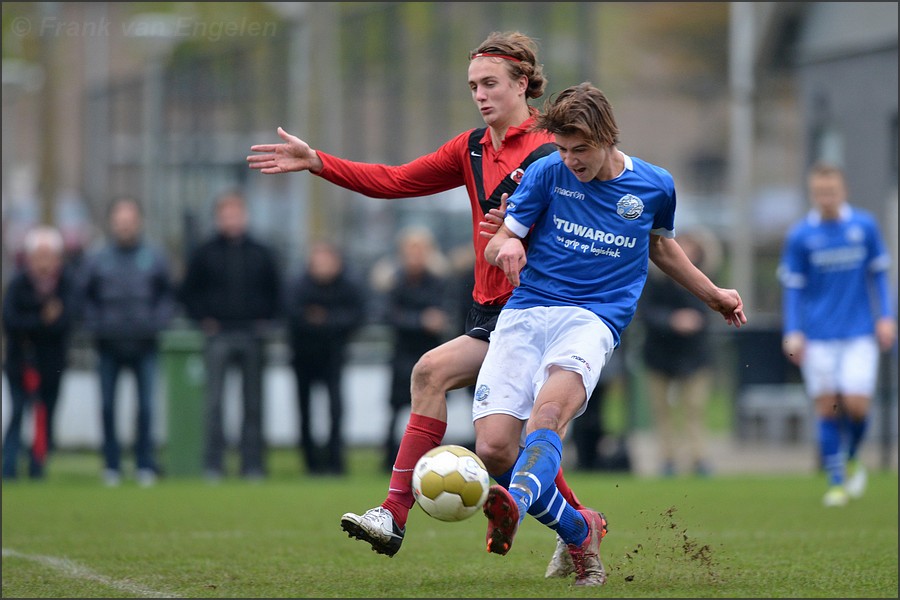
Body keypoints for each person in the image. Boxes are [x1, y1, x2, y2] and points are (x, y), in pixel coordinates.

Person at [247, 31, 593, 572]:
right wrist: (318, 162)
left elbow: (590, 227)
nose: (479, 95)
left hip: (544, 310)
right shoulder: (470, 148)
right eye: (473, 85)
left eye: (490, 84)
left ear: (523, 83)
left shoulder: (558, 146)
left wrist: (525, 233)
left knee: (474, 411)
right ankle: (575, 525)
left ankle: (396, 512)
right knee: (484, 426)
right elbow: (396, 180)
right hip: (490, 313)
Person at [475, 82, 746, 586]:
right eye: (563, 148)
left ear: (607, 137)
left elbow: (661, 248)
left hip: (591, 318)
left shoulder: (655, 185)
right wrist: (506, 248)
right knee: (492, 448)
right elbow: (501, 242)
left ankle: (514, 501)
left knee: (549, 414)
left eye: (582, 149)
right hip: (528, 311)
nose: (572, 160)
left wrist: (713, 294)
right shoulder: (545, 173)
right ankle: (581, 530)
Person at [777, 163, 896, 508]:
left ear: (842, 191)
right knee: (827, 407)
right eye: (819, 193)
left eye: (831, 191)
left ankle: (853, 455)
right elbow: (793, 289)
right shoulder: (801, 235)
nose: (826, 198)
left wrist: (886, 317)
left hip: (859, 332)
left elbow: (879, 277)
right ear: (813, 194)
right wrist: (793, 332)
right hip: (817, 336)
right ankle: (836, 481)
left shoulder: (864, 226)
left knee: (857, 406)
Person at [179, 190, 282, 481]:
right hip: (218, 335)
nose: (231, 220)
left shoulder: (261, 252)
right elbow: (187, 293)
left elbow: (276, 292)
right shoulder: (204, 253)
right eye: (225, 215)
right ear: (218, 218)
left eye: (236, 214)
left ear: (245, 216)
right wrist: (203, 319)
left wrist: (267, 320)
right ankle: (213, 465)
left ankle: (253, 466)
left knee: (253, 405)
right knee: (214, 404)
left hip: (252, 335)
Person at [80, 198, 176, 487]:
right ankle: (111, 465)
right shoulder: (97, 258)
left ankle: (144, 463)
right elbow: (83, 297)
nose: (125, 225)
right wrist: (97, 324)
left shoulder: (154, 256)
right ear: (112, 223)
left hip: (145, 343)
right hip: (108, 343)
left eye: (130, 219)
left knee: (146, 407)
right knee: (108, 406)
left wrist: (157, 323)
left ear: (139, 222)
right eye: (120, 220)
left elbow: (168, 296)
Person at [637, 230, 719, 477]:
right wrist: (671, 321)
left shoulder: (706, 279)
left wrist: (694, 320)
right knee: (661, 410)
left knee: (695, 408)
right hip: (659, 354)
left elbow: (711, 311)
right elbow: (645, 312)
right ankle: (667, 459)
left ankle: (699, 458)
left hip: (695, 356)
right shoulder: (655, 281)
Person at [2, 226, 77, 480]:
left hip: (51, 364)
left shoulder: (67, 285)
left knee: (45, 415)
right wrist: (42, 319)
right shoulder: (18, 285)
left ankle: (37, 467)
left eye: (48, 256)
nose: (43, 262)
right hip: (20, 363)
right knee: (18, 411)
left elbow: (66, 321)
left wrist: (39, 323)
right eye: (38, 256)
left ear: (57, 259)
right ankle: (8, 466)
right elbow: (10, 321)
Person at [285, 240, 366, 475]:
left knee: (336, 409)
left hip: (334, 356)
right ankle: (309, 462)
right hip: (303, 356)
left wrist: (323, 319)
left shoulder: (348, 285)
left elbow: (357, 315)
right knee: (304, 410)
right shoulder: (298, 284)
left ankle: (335, 461)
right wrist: (330, 321)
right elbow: (292, 314)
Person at [378, 227, 451, 471]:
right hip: (403, 354)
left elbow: (446, 314)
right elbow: (388, 315)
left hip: (432, 355)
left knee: (433, 410)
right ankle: (390, 459)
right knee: (397, 408)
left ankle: (432, 460)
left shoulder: (438, 282)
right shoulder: (396, 282)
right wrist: (421, 321)